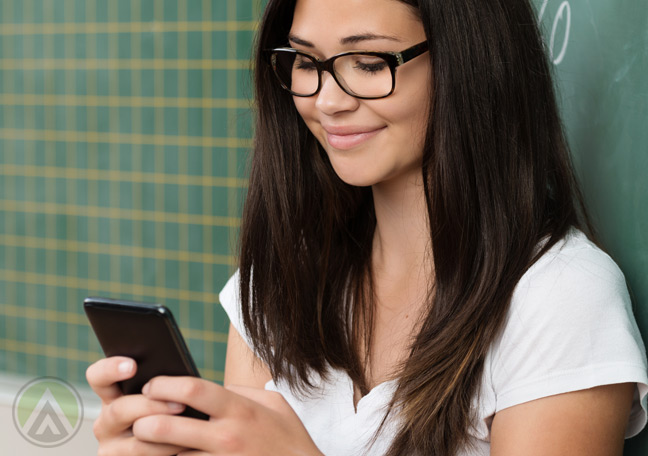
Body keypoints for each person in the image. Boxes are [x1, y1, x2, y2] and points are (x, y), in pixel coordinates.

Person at [86, 0, 648, 454]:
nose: (328, 101)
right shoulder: (280, 279)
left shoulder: (560, 297)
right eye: (307, 63)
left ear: (470, 63)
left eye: (371, 63)